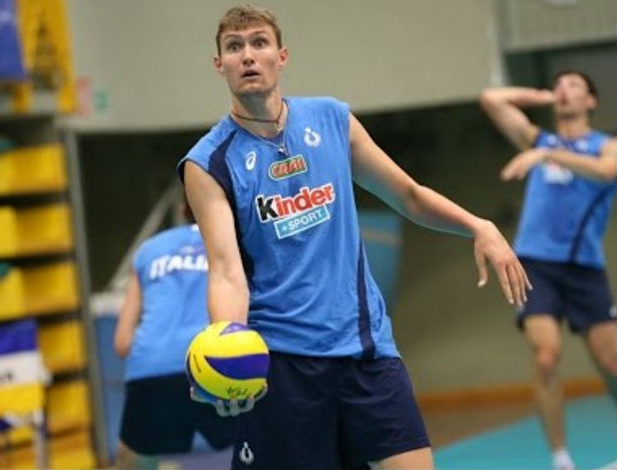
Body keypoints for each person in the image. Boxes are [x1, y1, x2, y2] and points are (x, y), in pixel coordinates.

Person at [178, 5, 530, 470]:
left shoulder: (331, 119)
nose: (248, 55)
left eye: (259, 43)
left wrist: (478, 226)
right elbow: (226, 272)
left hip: (366, 350)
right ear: (218, 63)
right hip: (283, 364)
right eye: (234, 47)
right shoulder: (208, 163)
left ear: (281, 56)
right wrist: (229, 352)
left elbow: (409, 195)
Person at [480, 70, 617, 470]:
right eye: (560, 85)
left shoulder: (605, 145)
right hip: (536, 264)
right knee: (545, 356)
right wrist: (540, 96)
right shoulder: (539, 138)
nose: (565, 90)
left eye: (575, 85)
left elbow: (606, 172)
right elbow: (491, 98)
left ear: (591, 101)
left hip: (584, 268)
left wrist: (546, 155)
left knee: (611, 364)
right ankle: (561, 459)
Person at [114, 206, 238, 469]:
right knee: (261, 445)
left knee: (134, 458)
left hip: (150, 368)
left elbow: (122, 343)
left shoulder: (148, 250)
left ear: (182, 210)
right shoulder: (236, 243)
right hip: (213, 366)